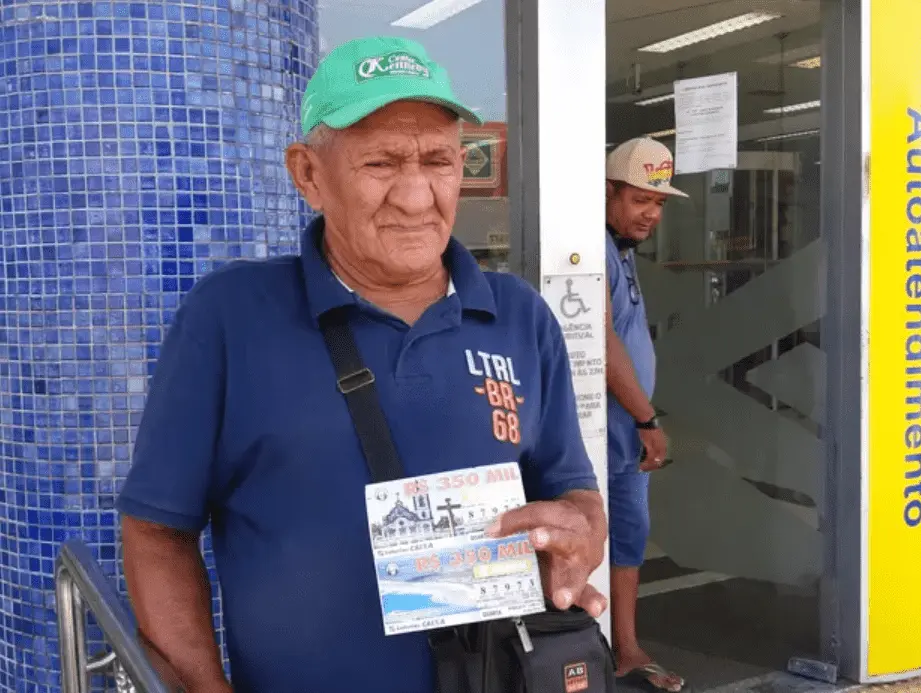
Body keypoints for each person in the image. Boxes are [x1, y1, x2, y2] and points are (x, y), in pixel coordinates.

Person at [116, 36, 608, 693]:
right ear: (308, 175)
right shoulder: (229, 316)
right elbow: (155, 529)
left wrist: (580, 531)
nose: (414, 197)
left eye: (437, 160)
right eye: (379, 163)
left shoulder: (519, 317)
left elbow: (573, 487)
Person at [603, 138, 688, 692]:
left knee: (630, 534)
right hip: (608, 427)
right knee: (599, 534)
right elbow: (601, 339)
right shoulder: (592, 248)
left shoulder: (622, 251)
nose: (650, 214)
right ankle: (600, 651)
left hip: (622, 432)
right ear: (607, 193)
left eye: (658, 204)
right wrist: (647, 419)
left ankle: (625, 649)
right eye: (639, 200)